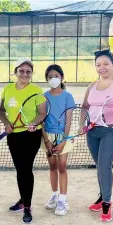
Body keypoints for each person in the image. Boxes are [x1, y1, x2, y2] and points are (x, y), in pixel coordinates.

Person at [82, 49, 113, 222]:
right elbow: (84, 107)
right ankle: (102, 195)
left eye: (105, 64)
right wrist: (83, 124)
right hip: (92, 132)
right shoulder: (91, 85)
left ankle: (107, 202)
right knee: (99, 166)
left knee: (104, 166)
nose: (101, 67)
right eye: (98, 64)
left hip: (111, 131)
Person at [0, 57, 47, 224]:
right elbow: (2, 110)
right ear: (16, 72)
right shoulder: (8, 89)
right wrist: (6, 124)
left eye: (28, 71)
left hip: (32, 135)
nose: (25, 74)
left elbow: (42, 113)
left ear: (31, 74)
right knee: (20, 169)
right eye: (21, 71)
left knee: (26, 169)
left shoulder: (37, 90)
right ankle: (22, 200)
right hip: (13, 135)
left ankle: (27, 206)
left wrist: (34, 123)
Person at [41, 64, 75, 216]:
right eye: (49, 77)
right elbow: (41, 119)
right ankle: (54, 195)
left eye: (56, 76)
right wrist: (47, 140)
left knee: (62, 166)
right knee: (52, 166)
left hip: (63, 136)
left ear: (62, 78)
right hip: (47, 136)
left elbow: (68, 120)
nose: (53, 79)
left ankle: (63, 199)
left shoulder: (68, 96)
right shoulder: (44, 96)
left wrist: (63, 141)